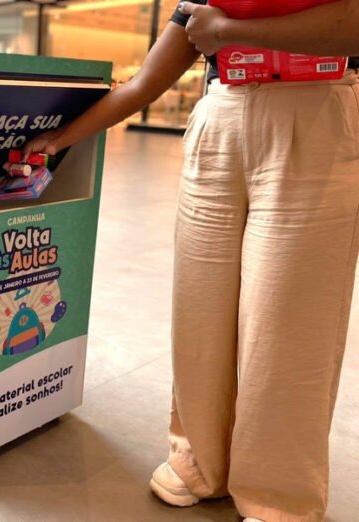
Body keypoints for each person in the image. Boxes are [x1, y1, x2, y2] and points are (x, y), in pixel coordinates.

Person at [24, 2, 359, 521]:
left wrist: (226, 30)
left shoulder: (217, 20)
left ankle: (280, 495)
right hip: (220, 116)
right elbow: (144, 83)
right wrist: (59, 139)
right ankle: (198, 459)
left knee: (288, 323)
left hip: (318, 107)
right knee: (200, 308)